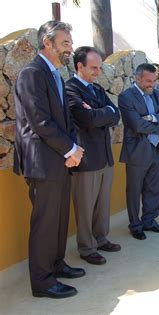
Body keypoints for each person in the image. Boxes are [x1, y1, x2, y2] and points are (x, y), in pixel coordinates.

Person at [13, 21, 85, 299]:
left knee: (58, 219)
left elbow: (62, 119)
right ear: (48, 42)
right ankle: (42, 282)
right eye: (65, 42)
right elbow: (40, 121)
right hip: (42, 162)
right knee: (45, 222)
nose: (70, 48)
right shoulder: (32, 73)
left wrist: (72, 149)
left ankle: (56, 264)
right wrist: (70, 149)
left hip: (59, 159)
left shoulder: (55, 74)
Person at [65, 46, 121, 265]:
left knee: (102, 204)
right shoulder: (71, 89)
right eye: (93, 67)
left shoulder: (97, 89)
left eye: (99, 67)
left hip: (105, 156)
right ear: (79, 66)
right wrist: (103, 113)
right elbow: (86, 119)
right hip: (86, 159)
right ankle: (87, 248)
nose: (98, 72)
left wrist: (102, 113)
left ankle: (100, 239)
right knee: (85, 207)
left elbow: (115, 114)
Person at [118, 63, 159, 240]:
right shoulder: (126, 97)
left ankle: (149, 220)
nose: (152, 84)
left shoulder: (157, 94)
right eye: (148, 81)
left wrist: (152, 118)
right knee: (134, 190)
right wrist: (158, 122)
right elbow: (136, 125)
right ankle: (135, 225)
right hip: (137, 151)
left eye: (154, 80)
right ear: (137, 78)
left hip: (157, 148)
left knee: (153, 187)